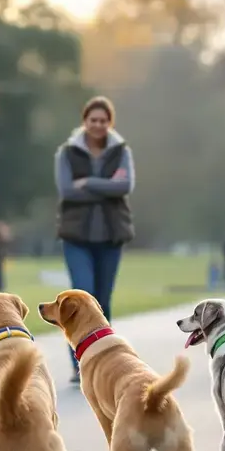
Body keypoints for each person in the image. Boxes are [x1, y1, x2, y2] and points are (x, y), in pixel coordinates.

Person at [54, 95, 135, 383]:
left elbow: (125, 186)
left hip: (111, 237)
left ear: (109, 123)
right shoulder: (68, 153)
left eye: (103, 121)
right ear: (85, 122)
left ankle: (101, 363)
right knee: (80, 296)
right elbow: (67, 191)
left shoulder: (120, 151)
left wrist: (87, 182)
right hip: (77, 237)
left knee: (103, 302)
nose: (98, 125)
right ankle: (79, 365)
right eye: (93, 120)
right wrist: (108, 187)